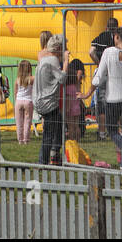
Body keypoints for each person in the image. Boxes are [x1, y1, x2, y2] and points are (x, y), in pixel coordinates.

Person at [86, 24, 122, 170]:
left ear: (117, 37)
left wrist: (88, 93)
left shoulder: (109, 52)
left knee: (112, 130)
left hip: (113, 98)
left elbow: (99, 76)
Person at [34, 35, 69, 165]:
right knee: (48, 134)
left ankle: (54, 154)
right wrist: (65, 61)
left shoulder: (44, 59)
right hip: (47, 103)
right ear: (59, 48)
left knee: (58, 124)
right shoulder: (53, 60)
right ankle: (42, 162)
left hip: (41, 100)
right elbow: (62, 79)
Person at [63, 59, 86, 142]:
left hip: (71, 110)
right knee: (77, 126)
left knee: (70, 127)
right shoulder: (75, 87)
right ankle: (78, 139)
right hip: (77, 109)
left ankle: (72, 139)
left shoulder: (68, 88)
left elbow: (68, 99)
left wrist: (67, 109)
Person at [14, 59, 35, 144]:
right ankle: (26, 139)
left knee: (19, 122)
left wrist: (16, 101)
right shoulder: (32, 79)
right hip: (28, 101)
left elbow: (15, 92)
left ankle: (20, 140)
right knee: (27, 121)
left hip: (19, 101)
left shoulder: (17, 79)